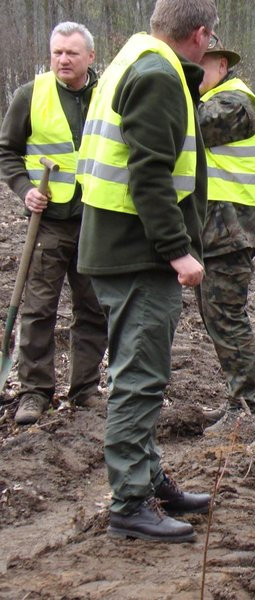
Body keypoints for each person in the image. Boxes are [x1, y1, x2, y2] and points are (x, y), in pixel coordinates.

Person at [76, 0, 218, 543]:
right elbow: (150, 174)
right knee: (140, 380)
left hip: (120, 250)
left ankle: (150, 478)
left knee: (139, 372)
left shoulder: (133, 56)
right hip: (137, 255)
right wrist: (178, 250)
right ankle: (130, 502)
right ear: (201, 34)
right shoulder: (159, 74)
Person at [0, 22, 107, 426]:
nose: (63, 59)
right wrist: (24, 188)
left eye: (72, 53)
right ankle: (35, 392)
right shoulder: (31, 95)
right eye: (57, 52)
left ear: (89, 58)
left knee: (93, 308)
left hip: (96, 219)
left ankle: (84, 390)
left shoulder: (106, 95)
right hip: (47, 225)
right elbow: (7, 152)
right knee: (39, 309)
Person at [194, 36, 255, 429]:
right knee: (216, 316)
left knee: (226, 317)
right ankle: (238, 401)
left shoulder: (236, 102)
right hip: (215, 230)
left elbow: (191, 128)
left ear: (222, 65)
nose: (192, 72)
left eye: (200, 65)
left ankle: (247, 408)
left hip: (232, 229)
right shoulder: (215, 97)